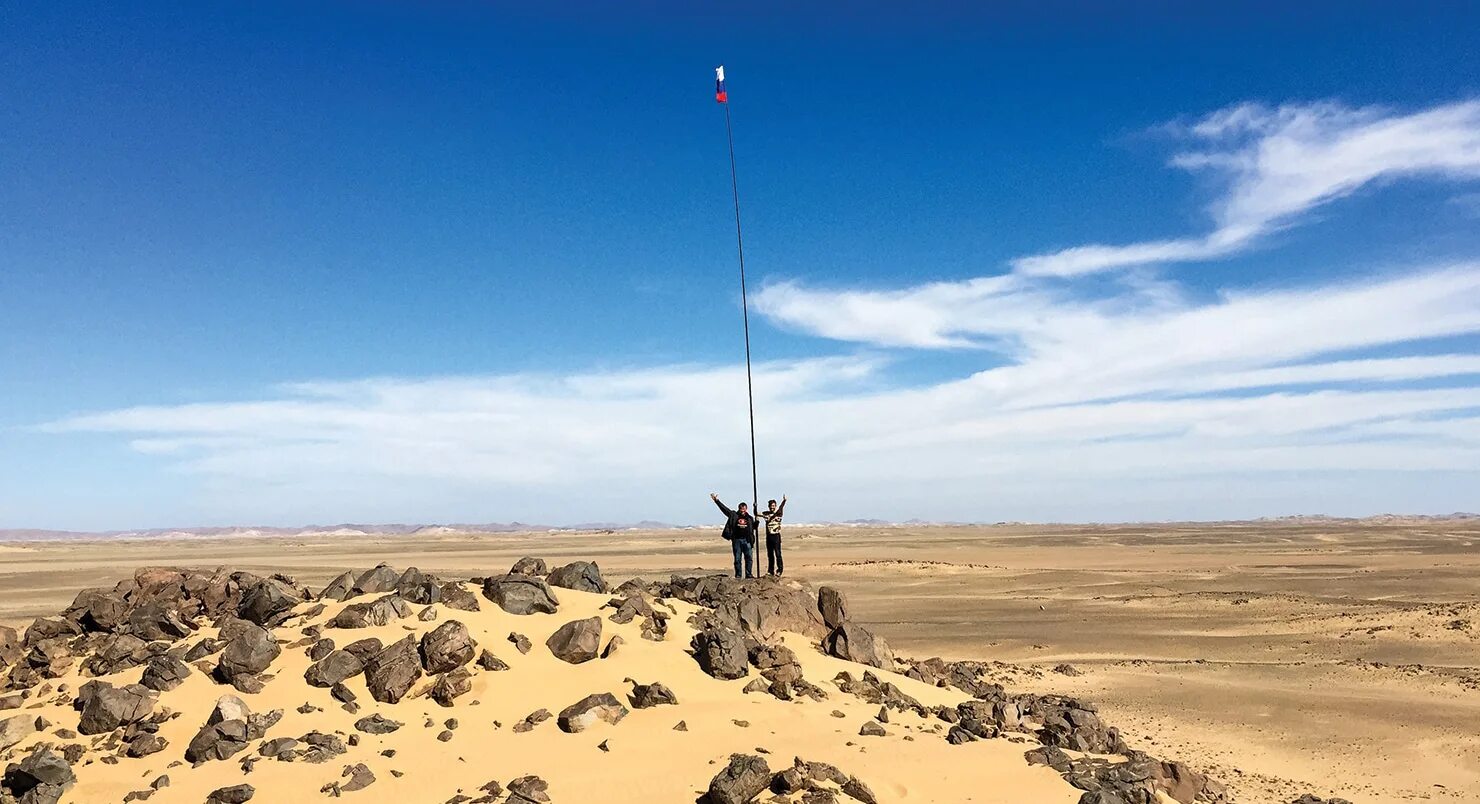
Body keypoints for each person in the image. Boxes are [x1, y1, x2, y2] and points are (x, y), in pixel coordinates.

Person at [710, 492, 758, 579]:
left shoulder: (750, 518)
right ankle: (738, 575)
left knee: (749, 558)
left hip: (747, 541)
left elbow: (753, 528)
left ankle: (749, 574)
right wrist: (717, 501)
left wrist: (757, 522)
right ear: (739, 509)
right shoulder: (733, 515)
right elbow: (724, 509)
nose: (742, 510)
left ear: (746, 509)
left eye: (744, 509)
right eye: (741, 509)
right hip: (737, 540)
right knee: (737, 559)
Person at [759, 495, 787, 576]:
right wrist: (755, 506)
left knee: (778, 554)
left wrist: (784, 500)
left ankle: (779, 570)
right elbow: (757, 514)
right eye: (771, 506)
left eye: (774, 506)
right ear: (769, 506)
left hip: (776, 536)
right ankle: (770, 570)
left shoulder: (779, 513)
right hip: (769, 536)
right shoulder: (766, 513)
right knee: (770, 554)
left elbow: (781, 507)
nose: (772, 507)